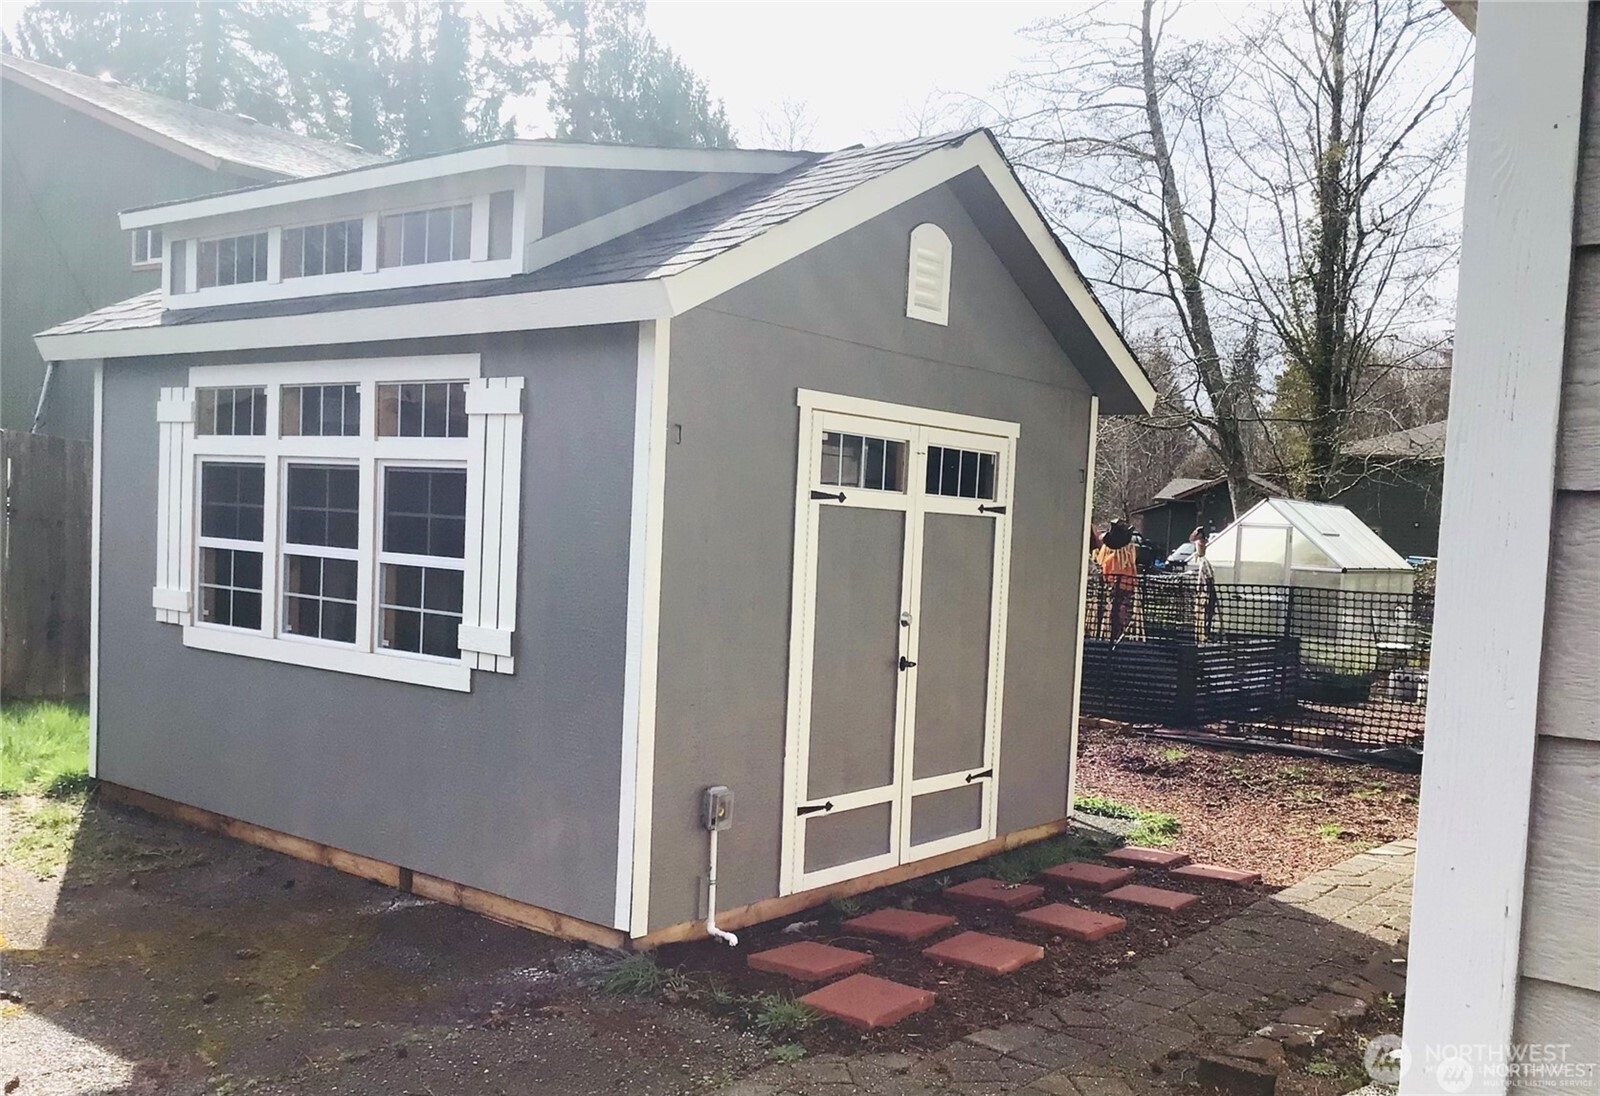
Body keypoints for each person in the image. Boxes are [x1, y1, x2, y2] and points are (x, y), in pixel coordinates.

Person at [1093, 519, 1139, 642]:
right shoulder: (1129, 561)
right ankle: (1120, 634)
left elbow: (1105, 574)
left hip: (1114, 588)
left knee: (1113, 612)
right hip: (1127, 588)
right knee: (1123, 611)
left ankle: (1110, 636)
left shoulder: (1109, 559)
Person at [1186, 525, 1218, 640]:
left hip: (1206, 593)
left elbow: (1205, 579)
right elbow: (1191, 539)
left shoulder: (1205, 561)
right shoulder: (1202, 560)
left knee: (1206, 612)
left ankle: (1206, 633)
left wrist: (1201, 588)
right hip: (1205, 592)